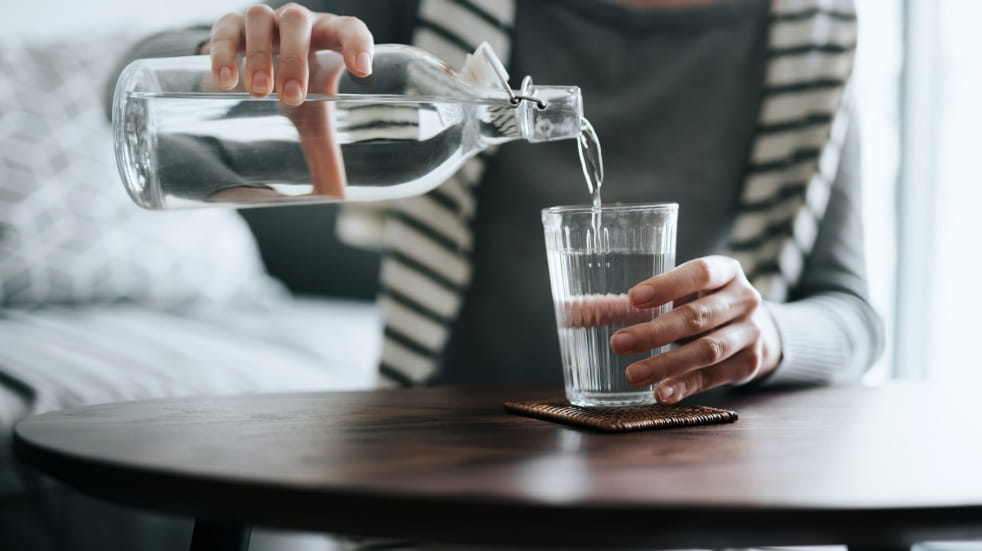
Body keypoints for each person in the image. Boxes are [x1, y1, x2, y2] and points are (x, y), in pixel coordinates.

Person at [115, 0, 882, 404]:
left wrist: (763, 332)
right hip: (451, 476)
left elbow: (854, 315)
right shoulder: (445, 11)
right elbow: (132, 87)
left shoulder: (812, 31)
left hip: (703, 484)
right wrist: (232, 56)